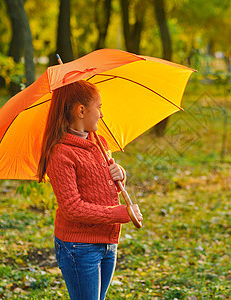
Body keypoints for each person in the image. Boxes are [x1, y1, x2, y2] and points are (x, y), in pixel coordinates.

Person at [37, 80, 143, 300]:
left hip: (107, 241)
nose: (102, 114)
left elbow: (105, 180)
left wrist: (120, 173)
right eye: (100, 106)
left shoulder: (99, 142)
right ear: (81, 110)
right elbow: (72, 208)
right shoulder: (60, 153)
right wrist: (120, 213)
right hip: (79, 247)